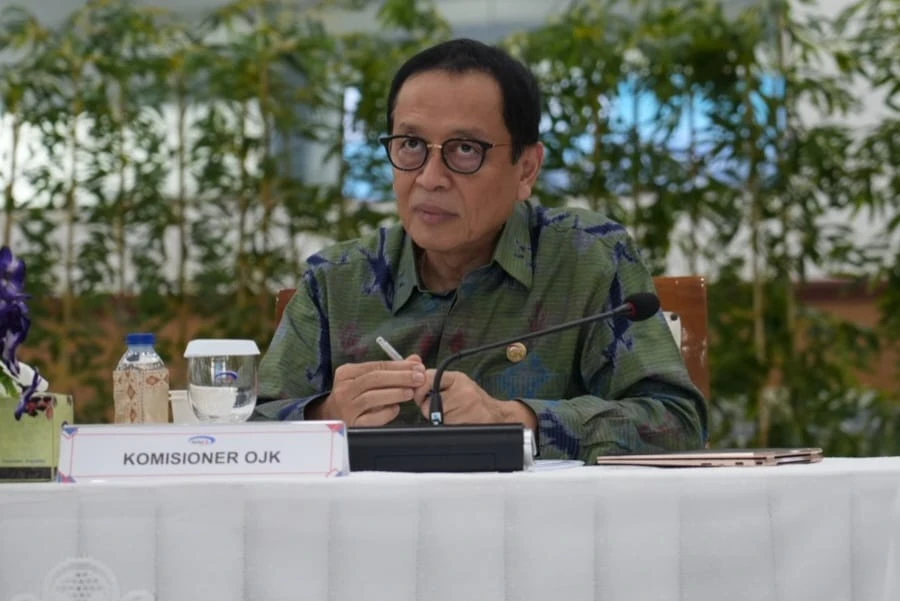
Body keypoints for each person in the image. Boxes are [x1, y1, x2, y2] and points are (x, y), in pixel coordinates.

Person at [254, 38, 707, 462]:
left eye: (465, 150)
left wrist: (514, 420)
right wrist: (326, 415)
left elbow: (676, 424)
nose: (430, 178)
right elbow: (246, 430)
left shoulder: (588, 259)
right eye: (411, 144)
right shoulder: (337, 280)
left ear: (526, 169)